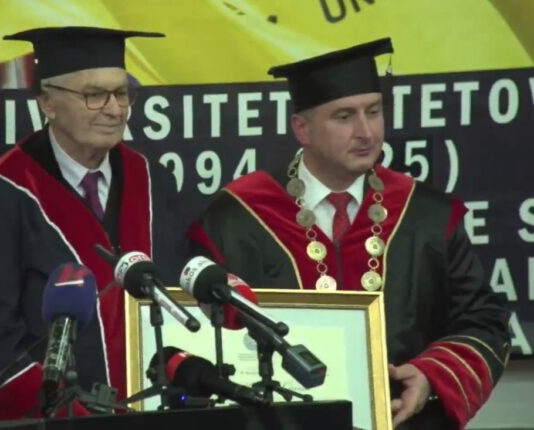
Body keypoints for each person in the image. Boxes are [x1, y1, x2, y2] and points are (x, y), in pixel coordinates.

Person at [188, 38, 510, 429]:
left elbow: (483, 320)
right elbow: (196, 335)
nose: (366, 132)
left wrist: (431, 375)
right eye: (344, 117)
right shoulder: (236, 218)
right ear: (302, 129)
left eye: (373, 112)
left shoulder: (427, 216)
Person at [0, 26, 184, 419]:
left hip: (155, 411)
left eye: (122, 93)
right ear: (47, 101)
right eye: (94, 95)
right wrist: (70, 414)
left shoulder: (153, 181)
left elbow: (176, 297)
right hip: (53, 417)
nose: (114, 110)